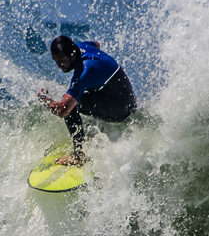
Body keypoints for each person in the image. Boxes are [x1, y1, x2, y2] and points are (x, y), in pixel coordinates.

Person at [37, 35, 137, 165]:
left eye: (61, 60)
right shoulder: (81, 47)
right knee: (78, 95)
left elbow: (63, 111)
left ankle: (79, 156)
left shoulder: (84, 72)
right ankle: (89, 134)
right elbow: (96, 44)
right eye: (55, 60)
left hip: (121, 109)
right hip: (125, 99)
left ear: (72, 55)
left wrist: (45, 99)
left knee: (71, 106)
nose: (58, 65)